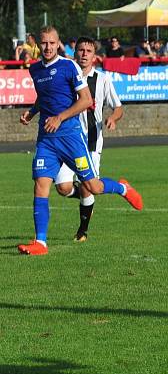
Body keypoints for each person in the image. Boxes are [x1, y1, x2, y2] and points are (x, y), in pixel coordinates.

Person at [17, 27, 142, 256]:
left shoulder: (69, 66)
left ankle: (123, 188)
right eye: (44, 43)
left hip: (72, 137)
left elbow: (86, 101)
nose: (47, 47)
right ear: (39, 45)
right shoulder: (34, 69)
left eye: (52, 43)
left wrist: (60, 117)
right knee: (42, 186)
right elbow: (44, 97)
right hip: (46, 139)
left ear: (58, 44)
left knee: (92, 186)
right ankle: (41, 243)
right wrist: (32, 112)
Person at [43, 37, 123, 241]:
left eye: (89, 50)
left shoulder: (103, 79)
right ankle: (98, 194)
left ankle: (82, 231)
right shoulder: (65, 74)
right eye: (81, 50)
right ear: (75, 52)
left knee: (88, 186)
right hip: (66, 140)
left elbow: (118, 107)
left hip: (91, 142)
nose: (84, 54)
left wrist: (112, 118)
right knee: (63, 188)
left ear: (95, 56)